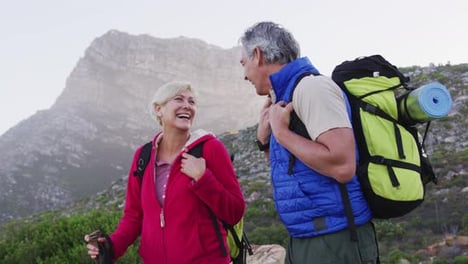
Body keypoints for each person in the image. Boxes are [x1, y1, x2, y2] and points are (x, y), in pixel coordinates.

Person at [239, 21, 379, 263]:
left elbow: (342, 167)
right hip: (307, 237)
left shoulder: (312, 88)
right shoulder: (285, 97)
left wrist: (282, 133)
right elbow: (294, 168)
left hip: (336, 239)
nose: (244, 75)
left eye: (244, 63)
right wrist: (265, 141)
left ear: (258, 55)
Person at [85, 81, 245, 263]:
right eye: (179, 99)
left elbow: (235, 212)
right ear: (158, 109)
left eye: (192, 102)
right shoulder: (143, 156)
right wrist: (111, 246)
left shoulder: (210, 149)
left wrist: (203, 179)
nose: (187, 105)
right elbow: (134, 216)